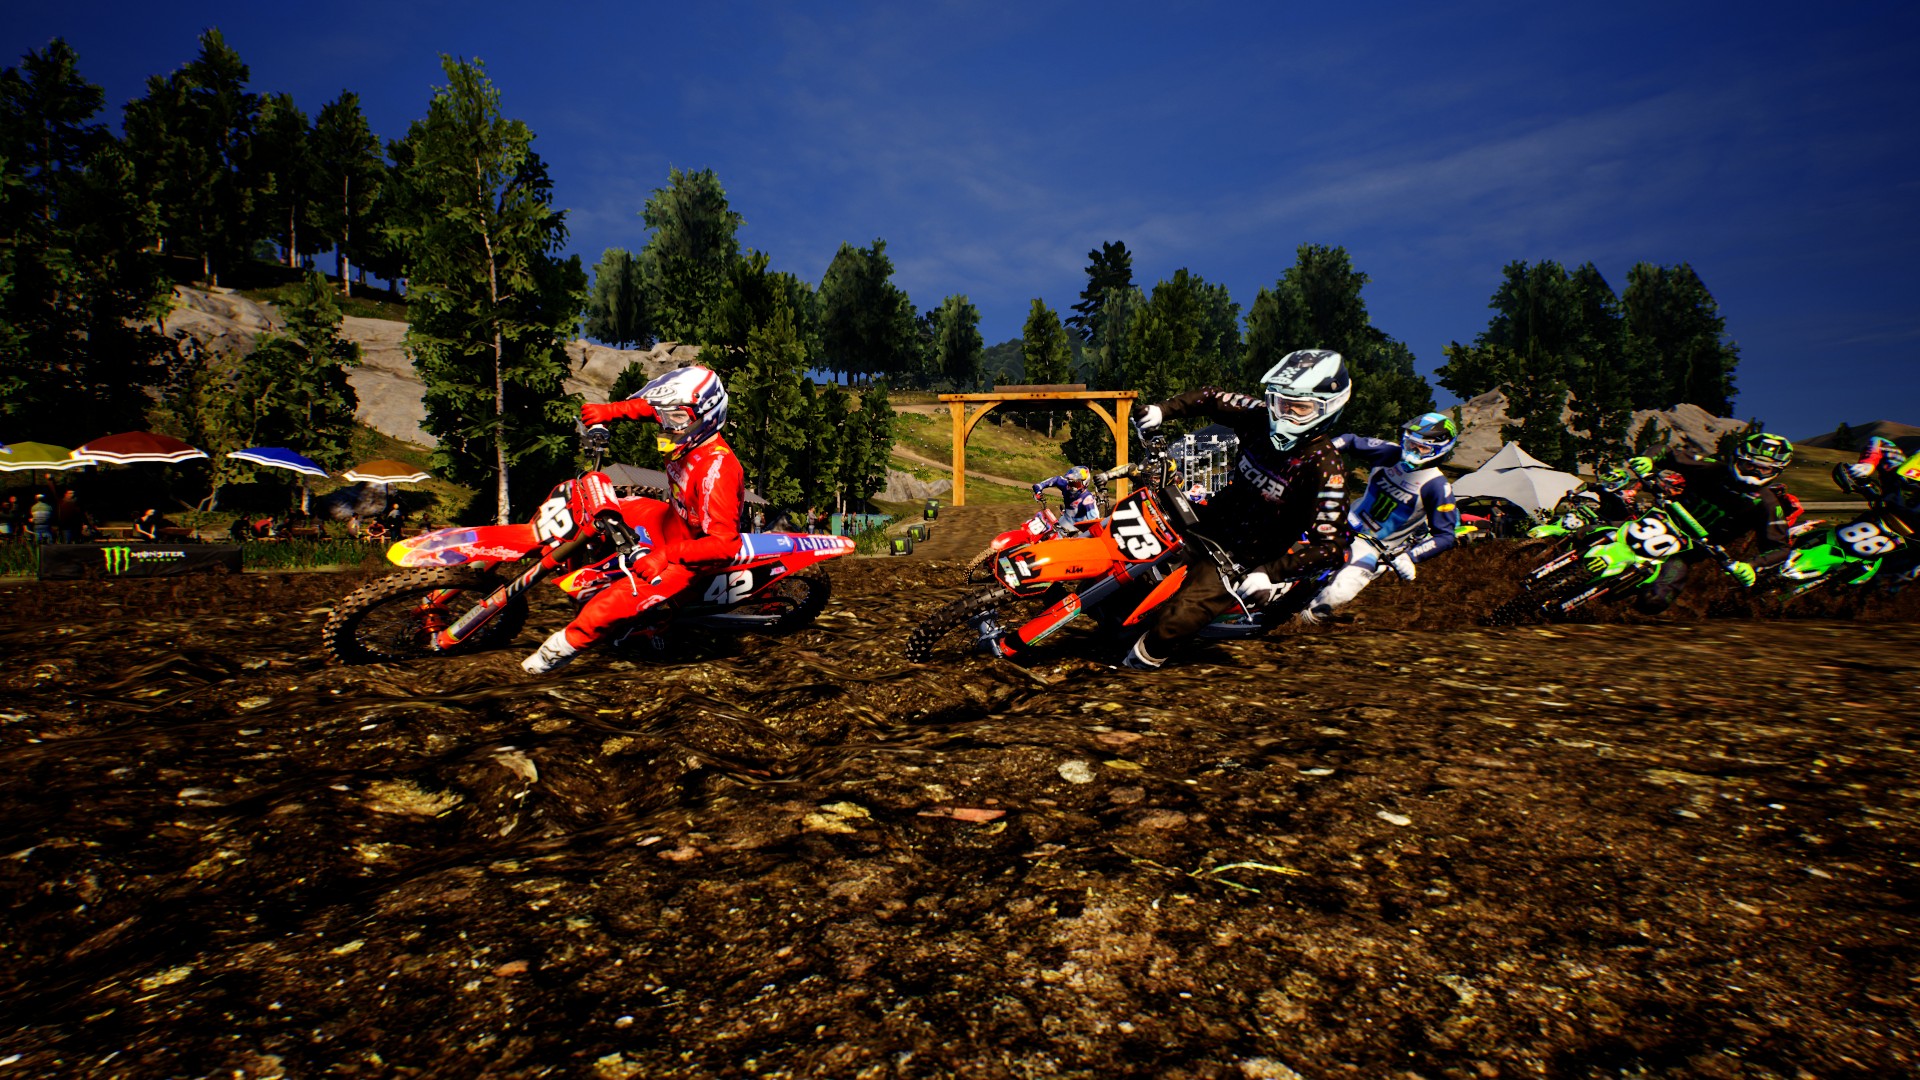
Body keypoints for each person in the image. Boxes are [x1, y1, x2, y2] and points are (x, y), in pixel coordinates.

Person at [1119, 348, 1352, 670]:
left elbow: (1333, 548)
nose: (1285, 415)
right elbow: (1213, 398)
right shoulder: (1260, 416)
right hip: (1206, 520)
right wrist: (1162, 410)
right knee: (1127, 553)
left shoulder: (1325, 469)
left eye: (1300, 408)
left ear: (1329, 408)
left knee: (1176, 622)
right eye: (1281, 403)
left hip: (1242, 558)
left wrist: (1271, 573)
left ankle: (1133, 671)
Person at [522, 365, 742, 674]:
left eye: (674, 418)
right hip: (666, 519)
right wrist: (609, 411)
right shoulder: (686, 424)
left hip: (688, 557)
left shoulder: (718, 471)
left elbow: (724, 545)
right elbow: (648, 408)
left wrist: (664, 556)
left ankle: (548, 659)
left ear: (707, 417)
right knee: (599, 506)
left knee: (607, 606)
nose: (665, 424)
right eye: (666, 416)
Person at [1301, 412, 1463, 622]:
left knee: (1341, 591)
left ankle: (1304, 623)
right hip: (1343, 519)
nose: (1412, 451)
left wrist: (1411, 557)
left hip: (1374, 546)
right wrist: (1316, 455)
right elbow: (1350, 440)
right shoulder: (1390, 452)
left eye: (1422, 448)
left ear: (1441, 449)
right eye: (1410, 444)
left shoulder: (1438, 486)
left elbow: (1446, 535)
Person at [1624, 431, 1795, 612]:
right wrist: (1648, 459)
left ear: (1777, 471)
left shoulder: (1768, 504)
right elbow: (1666, 452)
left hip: (1685, 553)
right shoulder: (1712, 468)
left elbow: (1781, 548)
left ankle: (1622, 608)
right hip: (1653, 522)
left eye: (1764, 469)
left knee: (1655, 600)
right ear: (1737, 459)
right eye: (1749, 465)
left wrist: (1751, 566)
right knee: (1600, 524)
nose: (1755, 472)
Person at [1031, 465, 1101, 535]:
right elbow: (1057, 479)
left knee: (1053, 538)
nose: (1072, 487)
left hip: (1076, 531)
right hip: (1064, 521)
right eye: (1071, 483)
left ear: (1085, 483)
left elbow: (1096, 523)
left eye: (1076, 484)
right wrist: (1039, 487)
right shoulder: (1067, 486)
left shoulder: (1088, 499)